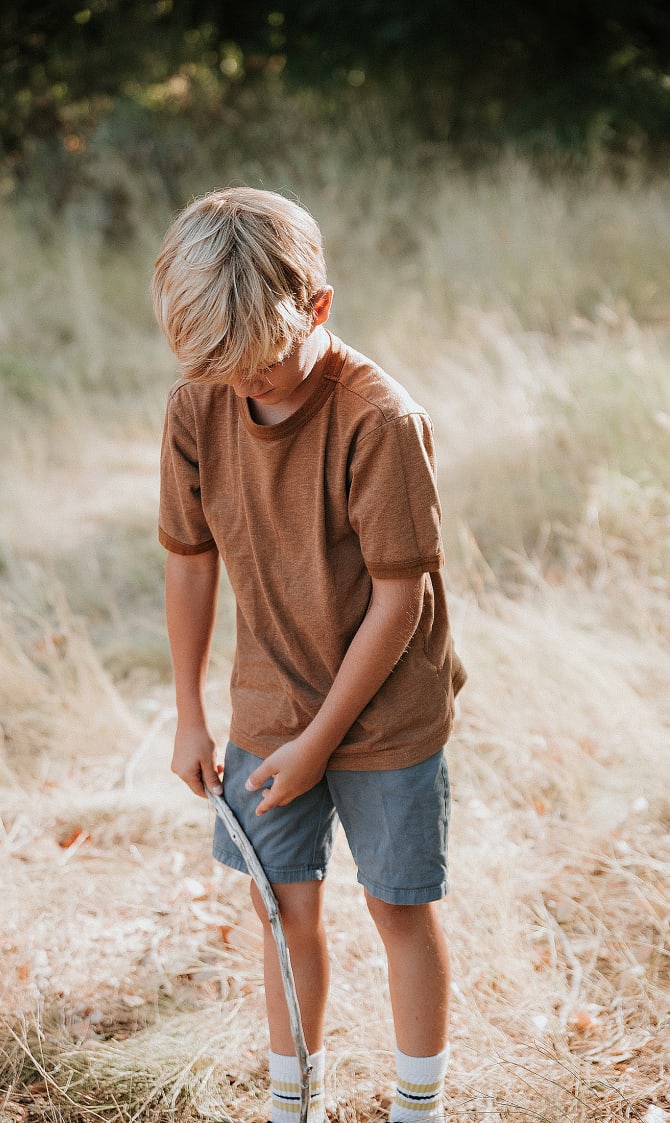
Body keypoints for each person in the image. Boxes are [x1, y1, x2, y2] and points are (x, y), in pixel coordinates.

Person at [152, 187, 466, 1123]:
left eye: (264, 366)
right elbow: (189, 561)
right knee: (281, 910)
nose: (248, 386)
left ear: (318, 306)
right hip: (269, 708)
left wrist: (323, 740)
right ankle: (295, 1106)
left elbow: (400, 598)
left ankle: (419, 1109)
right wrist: (190, 713)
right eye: (225, 371)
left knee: (397, 909)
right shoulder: (199, 403)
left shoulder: (379, 418)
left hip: (385, 711)